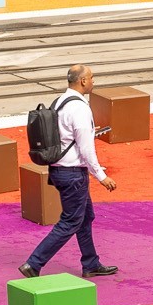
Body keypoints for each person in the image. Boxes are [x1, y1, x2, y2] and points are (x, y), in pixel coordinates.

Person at [19, 64, 118, 278]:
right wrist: (101, 175)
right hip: (73, 174)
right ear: (82, 81)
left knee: (85, 217)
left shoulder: (61, 101)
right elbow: (85, 148)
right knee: (71, 221)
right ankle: (34, 263)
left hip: (59, 170)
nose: (93, 81)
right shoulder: (80, 108)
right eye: (91, 78)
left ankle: (91, 263)